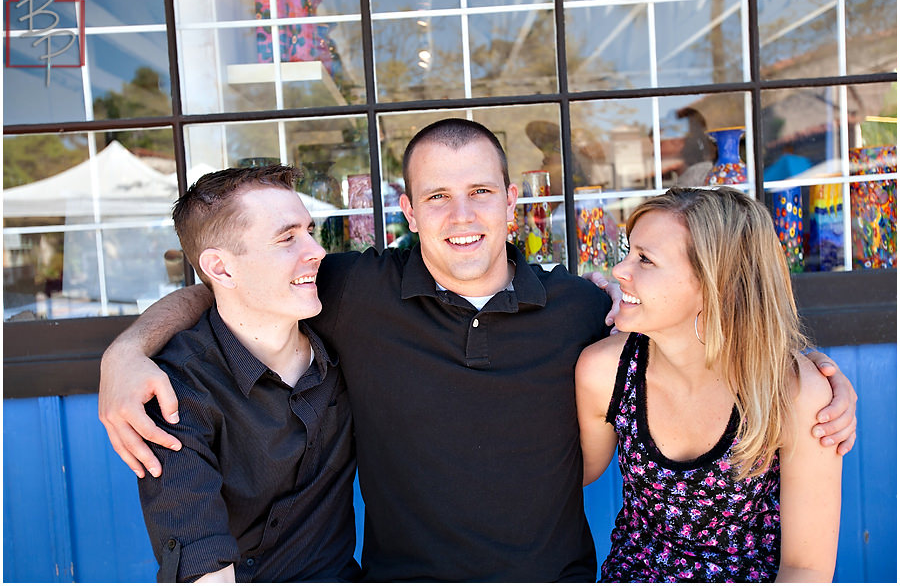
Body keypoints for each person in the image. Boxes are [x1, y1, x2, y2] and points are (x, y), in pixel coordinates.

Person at [99, 119, 856, 581]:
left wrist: (818, 375)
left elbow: (720, 316)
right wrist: (126, 352)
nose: (461, 217)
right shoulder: (350, 290)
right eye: (436, 196)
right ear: (406, 208)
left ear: (511, 199)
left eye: (480, 193)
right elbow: (228, 283)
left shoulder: (583, 309)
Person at [576, 187, 842, 582]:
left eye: (645, 260)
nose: (620, 270)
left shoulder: (792, 393)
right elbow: (561, 475)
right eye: (629, 252)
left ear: (716, 284)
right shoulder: (606, 371)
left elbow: (807, 568)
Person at [135, 166, 359, 582]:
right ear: (221, 269)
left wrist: (123, 351)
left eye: (310, 231)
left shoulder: (347, 335)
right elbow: (204, 568)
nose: (317, 251)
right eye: (287, 238)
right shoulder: (177, 389)